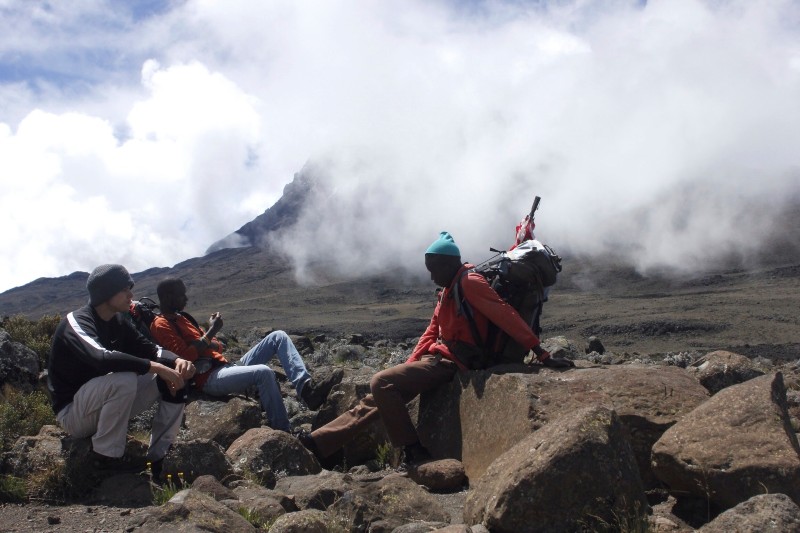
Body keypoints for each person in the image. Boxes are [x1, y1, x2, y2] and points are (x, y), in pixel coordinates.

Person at [299, 231, 573, 465]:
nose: (431, 276)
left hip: (458, 361)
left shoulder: (470, 283)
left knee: (381, 384)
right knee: (376, 398)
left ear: (448, 263)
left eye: (433, 269)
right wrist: (410, 364)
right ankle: (318, 443)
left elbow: (504, 315)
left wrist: (541, 352)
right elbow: (431, 331)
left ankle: (413, 450)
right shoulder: (447, 289)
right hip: (440, 357)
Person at [48, 264, 195, 474]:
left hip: (101, 404)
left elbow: (150, 349)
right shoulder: (77, 322)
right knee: (125, 379)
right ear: (107, 293)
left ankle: (160, 456)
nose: (131, 295)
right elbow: (101, 357)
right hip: (73, 413)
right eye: (124, 289)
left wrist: (177, 361)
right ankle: (105, 457)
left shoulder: (117, 321)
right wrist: (155, 367)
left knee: (173, 376)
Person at [150, 278, 342, 432]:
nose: (186, 298)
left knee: (278, 336)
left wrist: (206, 339)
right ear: (167, 297)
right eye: (181, 294)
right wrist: (211, 332)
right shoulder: (161, 324)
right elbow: (184, 356)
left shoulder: (183, 318)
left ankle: (306, 390)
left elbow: (216, 347)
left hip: (225, 366)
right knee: (264, 372)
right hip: (208, 377)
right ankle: (283, 429)